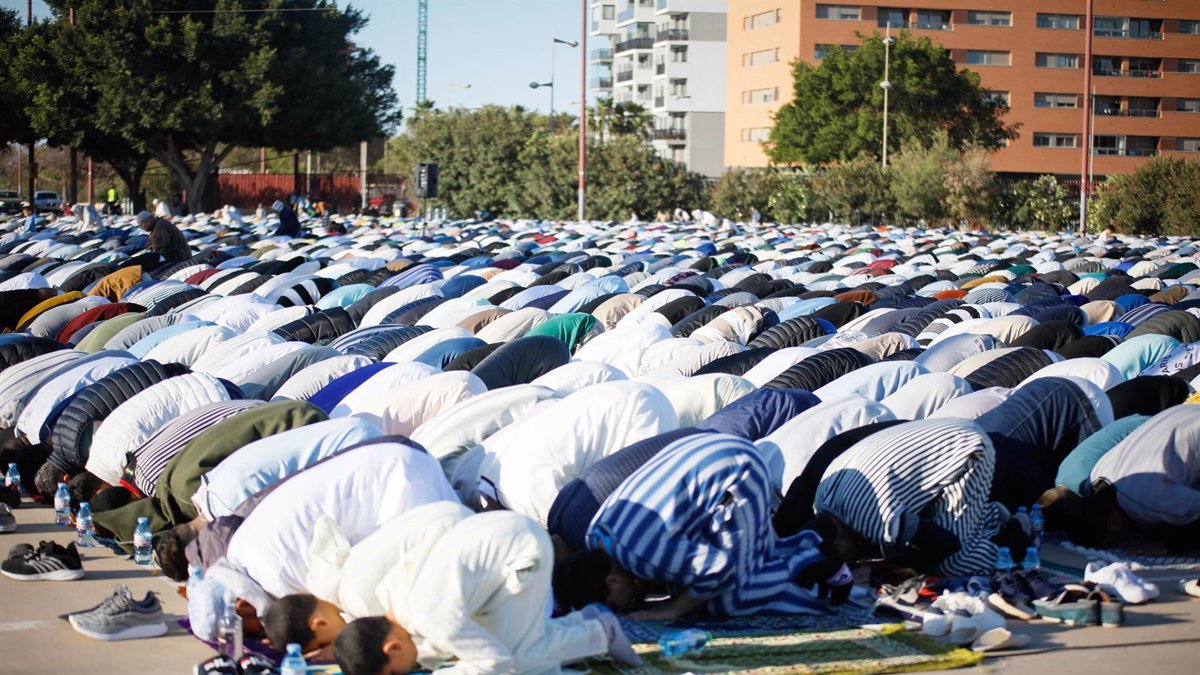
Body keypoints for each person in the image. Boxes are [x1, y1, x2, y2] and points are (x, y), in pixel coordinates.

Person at [555, 433, 845, 621]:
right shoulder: (596, 536)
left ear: (613, 582)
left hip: (736, 472)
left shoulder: (641, 557)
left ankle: (809, 552)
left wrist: (669, 610)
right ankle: (773, 554)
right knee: (688, 584)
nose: (626, 608)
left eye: (618, 605)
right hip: (705, 452)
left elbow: (718, 568)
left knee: (729, 601)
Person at [332, 511, 638, 675]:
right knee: (515, 643)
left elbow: (496, 662)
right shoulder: (394, 597)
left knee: (518, 656)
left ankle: (600, 633)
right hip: (493, 532)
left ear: (391, 649)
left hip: (519, 549)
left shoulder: (431, 616)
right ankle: (586, 622)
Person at [813, 418, 1009, 576]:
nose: (853, 564)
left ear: (838, 545)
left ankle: (1013, 542)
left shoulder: (872, 521)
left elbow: (944, 543)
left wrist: (900, 565)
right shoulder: (820, 501)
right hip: (945, 433)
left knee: (951, 565)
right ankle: (987, 518)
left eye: (848, 562)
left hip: (968, 449)